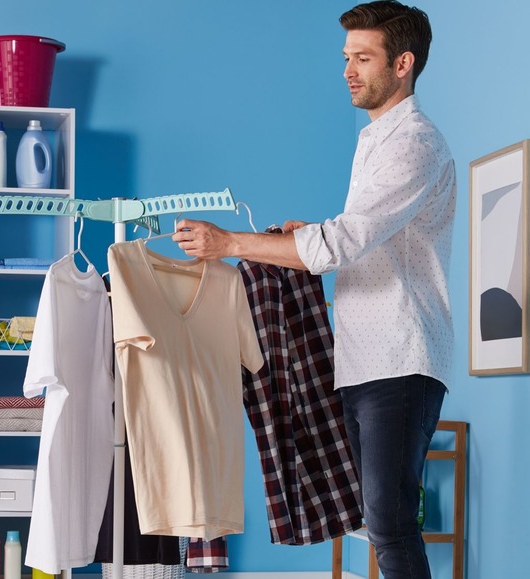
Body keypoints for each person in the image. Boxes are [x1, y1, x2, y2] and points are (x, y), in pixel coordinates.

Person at [172, 2, 456, 578]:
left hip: (399, 359)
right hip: (361, 360)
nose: (349, 70)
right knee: (376, 521)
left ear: (403, 64)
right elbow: (361, 240)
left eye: (364, 58)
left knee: (391, 523)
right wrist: (311, 235)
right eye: (346, 57)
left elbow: (340, 246)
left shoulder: (414, 145)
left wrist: (230, 242)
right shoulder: (377, 140)